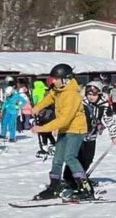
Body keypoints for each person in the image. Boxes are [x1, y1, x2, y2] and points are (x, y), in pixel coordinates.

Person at [30, 64, 92, 200]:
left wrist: (42, 129)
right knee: (57, 159)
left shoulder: (71, 95)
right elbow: (50, 98)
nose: (54, 81)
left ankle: (85, 188)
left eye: (57, 79)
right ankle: (54, 188)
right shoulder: (58, 90)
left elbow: (64, 119)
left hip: (76, 129)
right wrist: (37, 107)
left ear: (66, 79)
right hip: (65, 129)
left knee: (70, 157)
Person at [65, 81, 109, 191]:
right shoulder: (81, 104)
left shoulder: (103, 105)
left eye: (94, 95)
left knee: (88, 159)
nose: (91, 97)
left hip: (91, 136)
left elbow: (109, 119)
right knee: (76, 158)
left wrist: (112, 133)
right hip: (78, 135)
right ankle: (69, 178)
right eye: (89, 94)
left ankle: (80, 177)